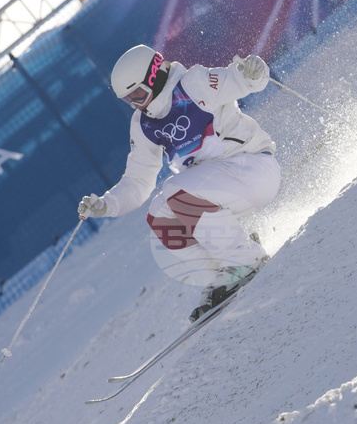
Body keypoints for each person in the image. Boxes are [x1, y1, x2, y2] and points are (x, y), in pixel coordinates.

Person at [78, 44, 281, 321]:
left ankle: (245, 259)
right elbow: (138, 180)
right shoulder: (143, 124)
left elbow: (240, 80)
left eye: (138, 94)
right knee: (159, 213)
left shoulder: (193, 84)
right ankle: (220, 274)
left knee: (174, 191)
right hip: (223, 189)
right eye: (128, 100)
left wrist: (254, 72)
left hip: (254, 168)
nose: (137, 104)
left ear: (154, 75)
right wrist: (107, 204)